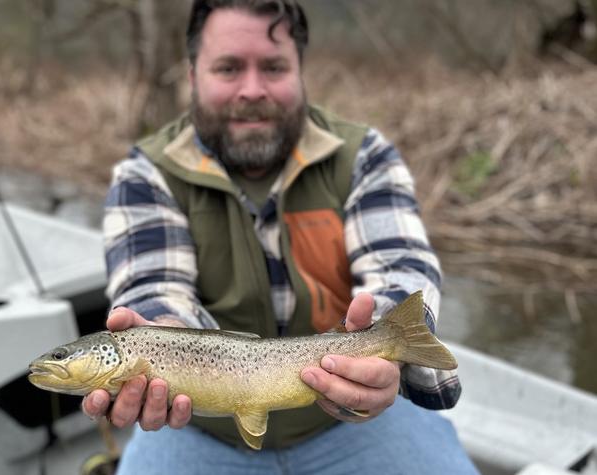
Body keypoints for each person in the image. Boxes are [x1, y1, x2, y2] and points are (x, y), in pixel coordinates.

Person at [83, 1, 478, 473]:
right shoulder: (144, 174)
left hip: (358, 422)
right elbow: (154, 287)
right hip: (197, 427)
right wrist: (159, 330)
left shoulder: (365, 157)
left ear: (300, 71)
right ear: (192, 75)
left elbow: (399, 266)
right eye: (228, 68)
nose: (252, 89)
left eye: (273, 67)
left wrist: (382, 357)